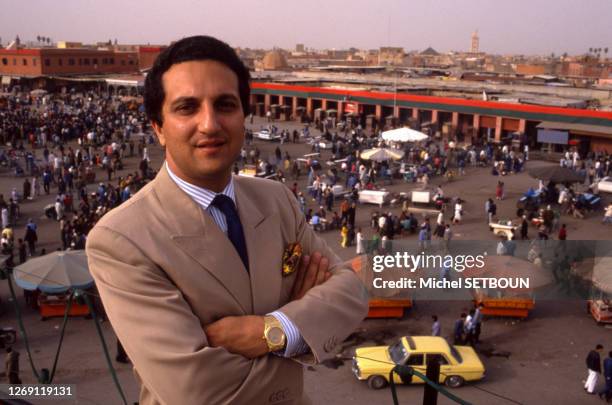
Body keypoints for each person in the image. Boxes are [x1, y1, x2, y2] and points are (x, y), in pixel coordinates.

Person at [86, 36, 368, 405]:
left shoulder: (276, 199)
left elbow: (351, 291)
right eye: (187, 107)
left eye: (225, 105)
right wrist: (304, 324)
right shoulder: (122, 238)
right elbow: (196, 390)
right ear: (158, 127)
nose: (209, 124)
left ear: (243, 115)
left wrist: (272, 331)